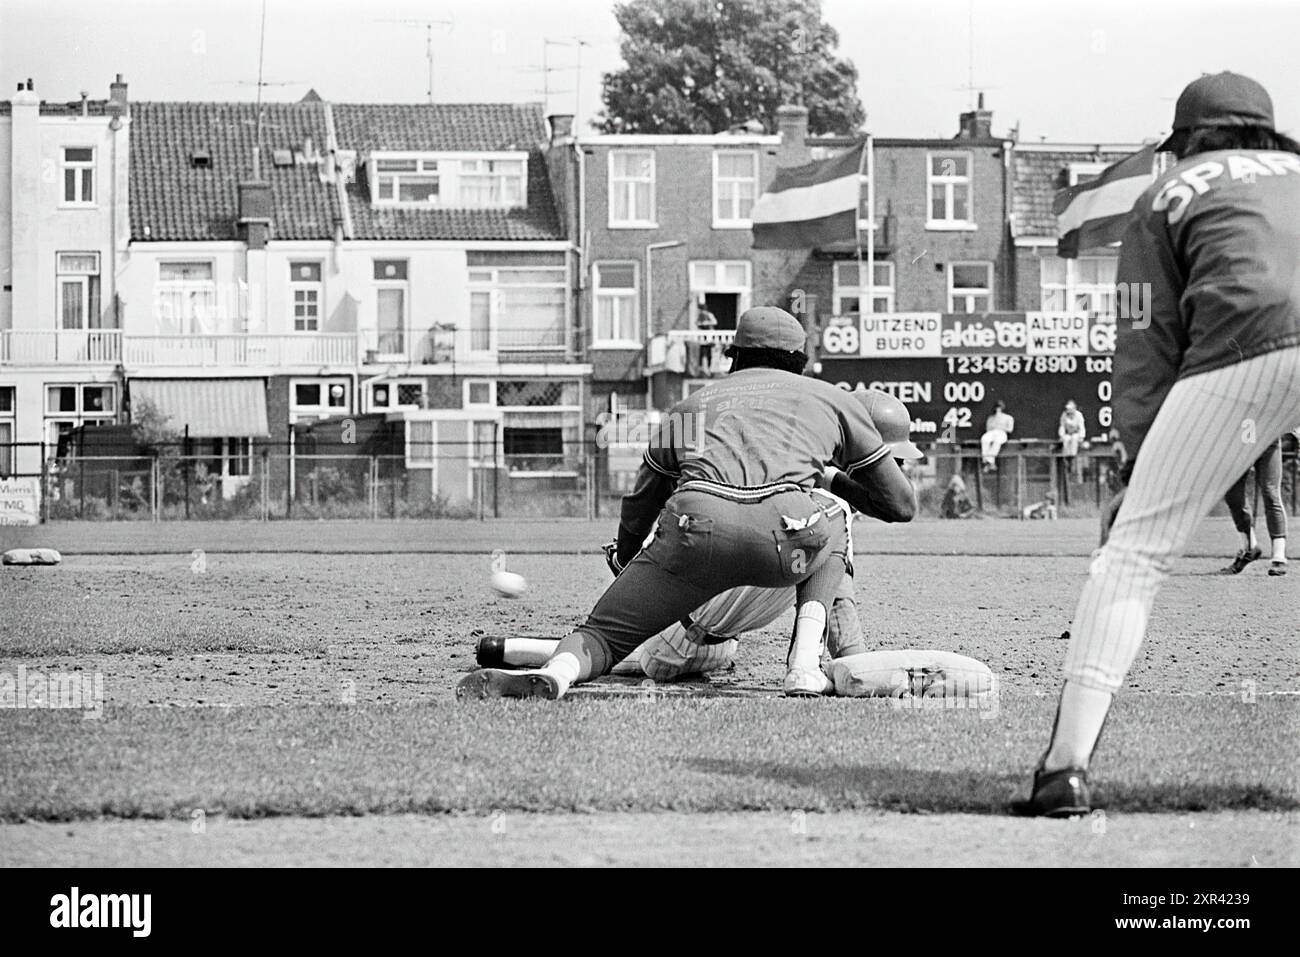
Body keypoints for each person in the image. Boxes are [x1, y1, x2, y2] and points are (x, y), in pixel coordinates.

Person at [1018, 72, 1300, 817]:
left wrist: (1137, 467)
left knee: (1134, 553)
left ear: (1191, 140)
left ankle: (1064, 770)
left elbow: (1147, 340)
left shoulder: (1170, 190)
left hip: (1251, 342)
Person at [456, 306, 915, 701]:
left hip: (694, 529)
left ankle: (555, 675)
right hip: (785, 537)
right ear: (800, 361)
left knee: (598, 634)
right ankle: (803, 664)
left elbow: (640, 502)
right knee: (835, 515)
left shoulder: (690, 406)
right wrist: (834, 479)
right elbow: (900, 505)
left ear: (733, 358)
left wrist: (629, 556)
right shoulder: (832, 399)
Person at [1221, 437, 1288, 576]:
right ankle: (1250, 547)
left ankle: (1279, 557)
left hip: (1267, 439)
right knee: (1233, 495)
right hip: (1237, 442)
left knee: (1270, 493)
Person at [981, 400, 1015, 473]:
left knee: (997, 441)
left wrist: (1000, 427)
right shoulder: (991, 418)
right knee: (984, 439)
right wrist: (994, 427)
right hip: (992, 432)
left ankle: (989, 462)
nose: (998, 409)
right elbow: (987, 429)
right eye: (997, 407)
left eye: (999, 407)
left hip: (1002, 433)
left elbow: (1010, 429)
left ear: (1002, 408)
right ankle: (988, 461)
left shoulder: (1008, 417)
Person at [1057, 400, 1086, 484]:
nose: (1068, 412)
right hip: (1068, 434)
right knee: (1066, 440)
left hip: (1076, 434)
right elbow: (1062, 426)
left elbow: (1082, 427)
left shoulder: (1079, 415)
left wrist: (1081, 437)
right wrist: (1061, 436)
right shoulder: (1064, 415)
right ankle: (1067, 458)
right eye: (1067, 410)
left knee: (1074, 439)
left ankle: (1072, 457)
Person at [695, 299, 719, 372]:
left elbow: (715, 322)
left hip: (709, 335)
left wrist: (706, 322)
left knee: (709, 351)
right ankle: (701, 367)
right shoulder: (700, 315)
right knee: (702, 351)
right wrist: (700, 324)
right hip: (702, 336)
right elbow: (696, 323)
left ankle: (709, 368)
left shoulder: (709, 315)